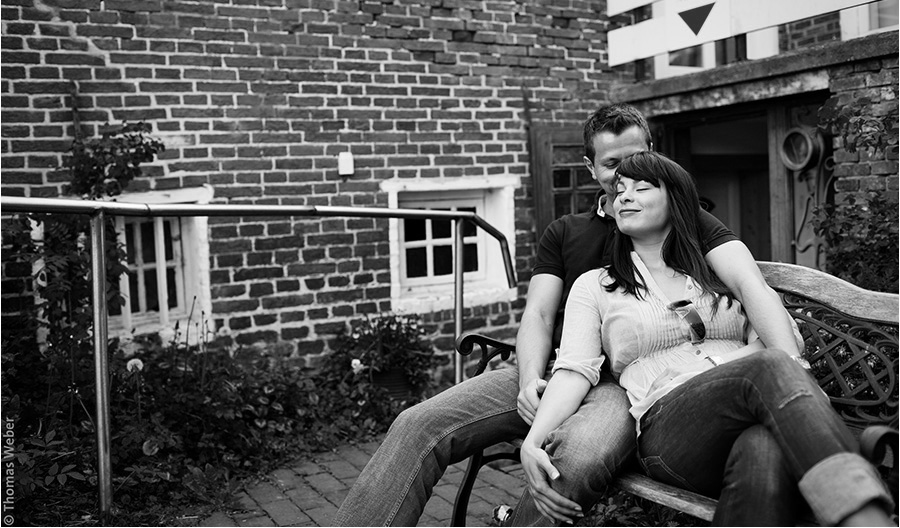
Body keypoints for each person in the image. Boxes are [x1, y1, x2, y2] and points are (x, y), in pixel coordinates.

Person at [333, 104, 802, 527]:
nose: (627, 176)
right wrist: (528, 380)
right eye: (614, 165)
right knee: (419, 423)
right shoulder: (566, 232)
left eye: (638, 159)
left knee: (576, 458)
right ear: (591, 167)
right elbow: (537, 313)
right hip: (557, 365)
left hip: (623, 382)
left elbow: (745, 284)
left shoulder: (683, 218)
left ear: (654, 155)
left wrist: (783, 357)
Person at [521, 150, 893, 527]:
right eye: (620, 190)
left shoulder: (713, 271)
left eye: (641, 187)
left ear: (676, 201)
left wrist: (714, 367)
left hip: (744, 411)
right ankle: (867, 516)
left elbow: (781, 338)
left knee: (762, 449)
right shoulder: (596, 285)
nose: (624, 197)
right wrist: (533, 441)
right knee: (768, 366)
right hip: (668, 429)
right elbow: (573, 371)